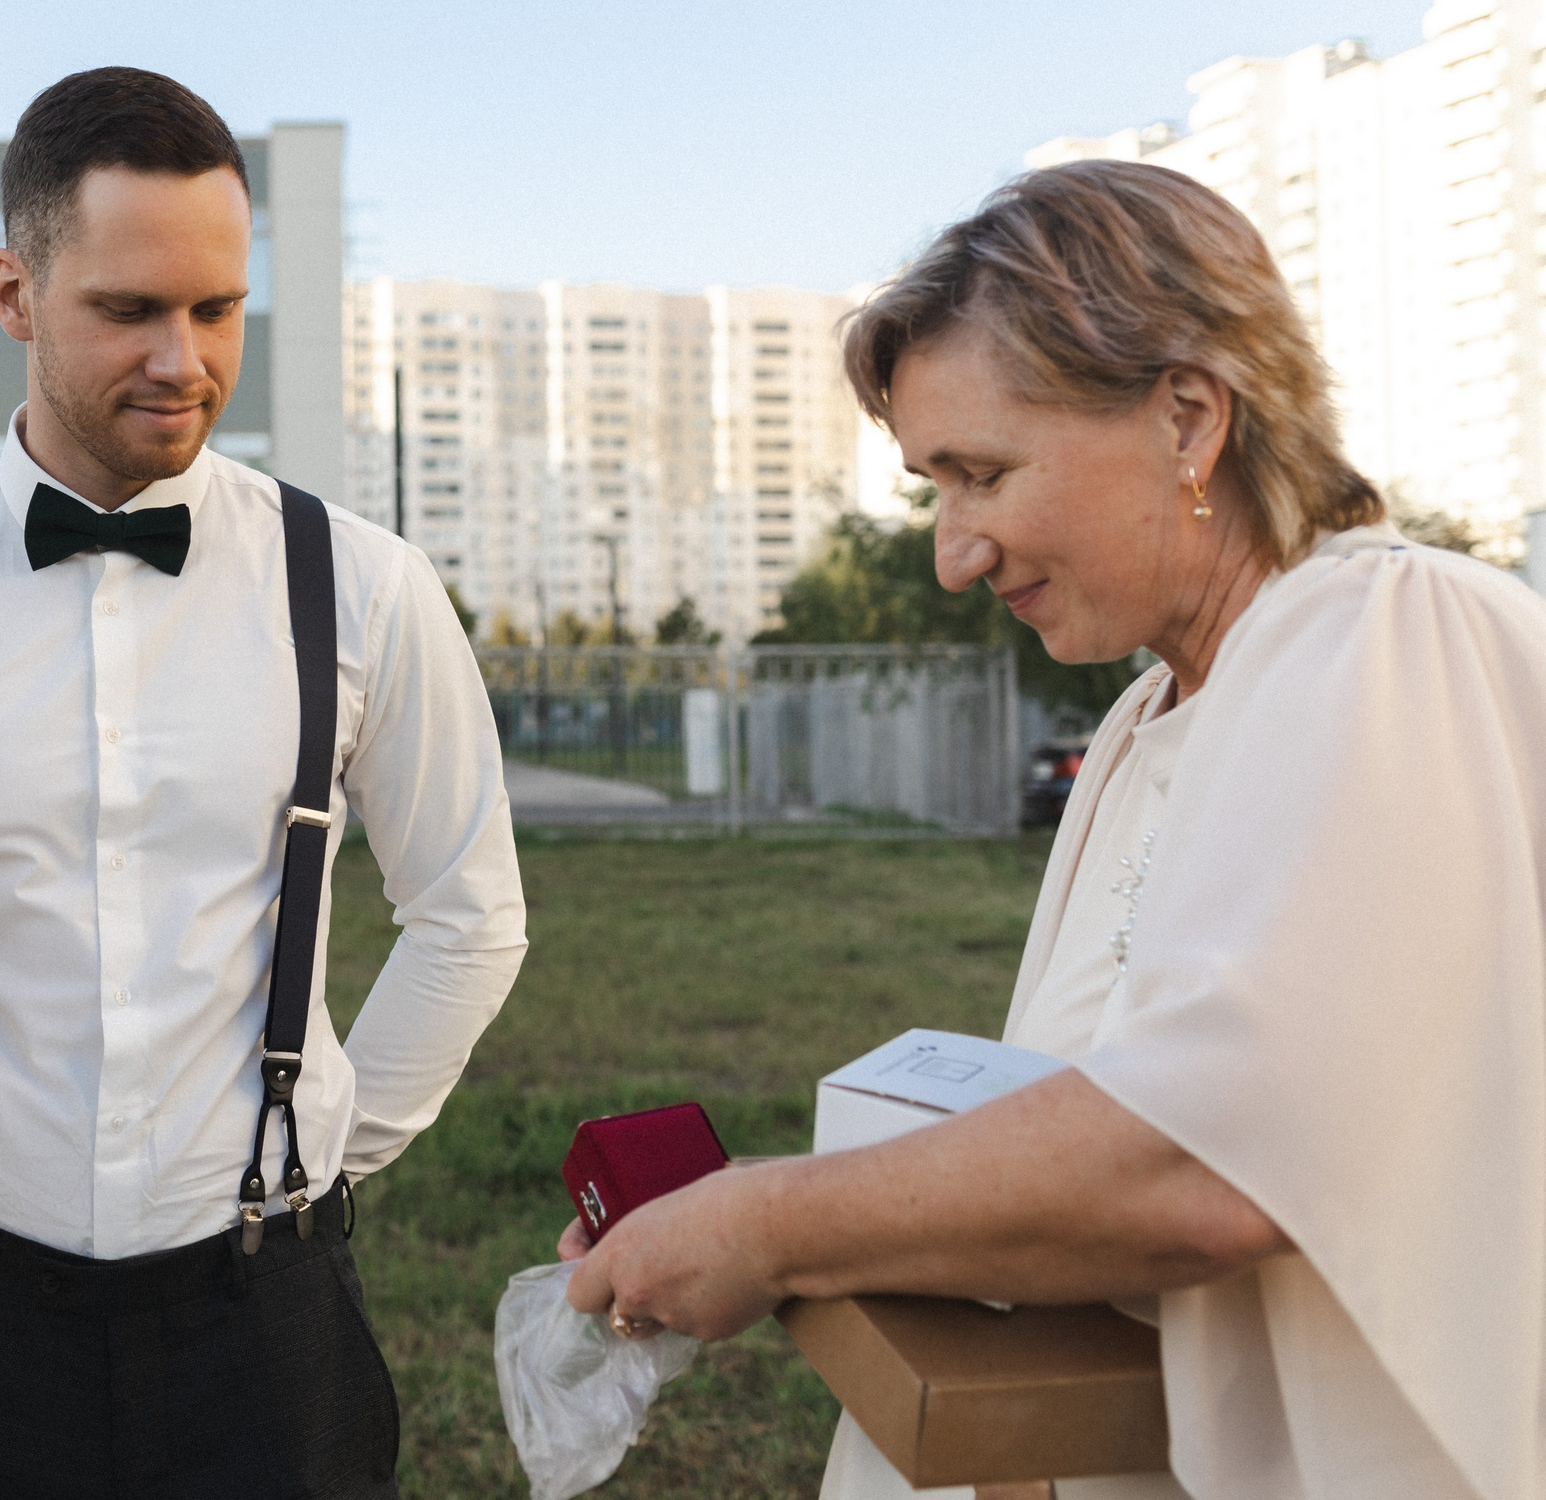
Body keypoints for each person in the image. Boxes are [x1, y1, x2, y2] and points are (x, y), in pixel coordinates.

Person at [563, 160, 1545, 1500]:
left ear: (1188, 419)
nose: (952, 554)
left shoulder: (1384, 634)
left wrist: (769, 1225)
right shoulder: (1150, 716)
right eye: (933, 489)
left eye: (981, 473)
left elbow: (1203, 1163)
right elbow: (1095, 1144)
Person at [0, 67, 528, 1500]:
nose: (185, 357)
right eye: (131, 310)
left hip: (270, 1330)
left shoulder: (369, 590)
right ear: (14, 293)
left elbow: (469, 917)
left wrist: (321, 1151)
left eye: (217, 309)